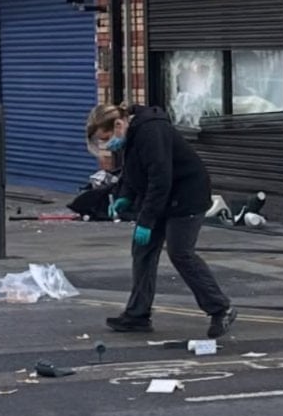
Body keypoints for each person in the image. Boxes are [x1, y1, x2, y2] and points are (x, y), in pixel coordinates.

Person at [85, 102, 238, 338]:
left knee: (180, 252)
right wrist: (124, 197)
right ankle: (137, 315)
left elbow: (160, 179)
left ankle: (220, 308)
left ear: (118, 124)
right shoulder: (132, 133)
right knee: (142, 250)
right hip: (164, 197)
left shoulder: (151, 132)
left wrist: (146, 220)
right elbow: (133, 170)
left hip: (187, 196)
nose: (108, 144)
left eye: (106, 137)